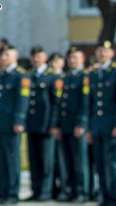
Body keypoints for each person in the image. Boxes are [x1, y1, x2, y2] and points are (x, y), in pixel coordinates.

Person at [0, 44, 30, 204]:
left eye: (6, 55)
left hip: (12, 124)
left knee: (12, 159)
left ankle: (12, 193)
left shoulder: (21, 75)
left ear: (15, 56)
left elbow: (22, 100)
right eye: (2, 55)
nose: (3, 58)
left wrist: (19, 120)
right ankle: (1, 191)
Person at [52, 45, 89, 203]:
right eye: (70, 58)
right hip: (65, 125)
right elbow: (59, 104)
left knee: (79, 160)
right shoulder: (64, 78)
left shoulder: (85, 77)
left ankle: (82, 191)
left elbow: (85, 102)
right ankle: (69, 189)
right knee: (66, 160)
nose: (72, 60)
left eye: (76, 58)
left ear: (82, 59)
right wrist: (57, 125)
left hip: (77, 126)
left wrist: (81, 123)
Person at [23, 46, 60, 201]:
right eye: (34, 56)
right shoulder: (29, 75)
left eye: (39, 56)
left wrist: (53, 124)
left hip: (46, 125)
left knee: (46, 161)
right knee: (34, 160)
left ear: (45, 58)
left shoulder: (52, 76)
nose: (36, 59)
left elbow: (56, 103)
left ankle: (46, 191)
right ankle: (36, 190)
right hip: (32, 125)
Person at [87, 40, 116, 206]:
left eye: (106, 51)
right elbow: (91, 103)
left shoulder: (114, 72)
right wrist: (90, 128)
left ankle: (113, 197)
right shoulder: (94, 74)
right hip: (97, 126)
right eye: (99, 51)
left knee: (111, 163)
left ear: (112, 53)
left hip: (111, 125)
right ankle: (104, 196)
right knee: (99, 162)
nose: (102, 54)